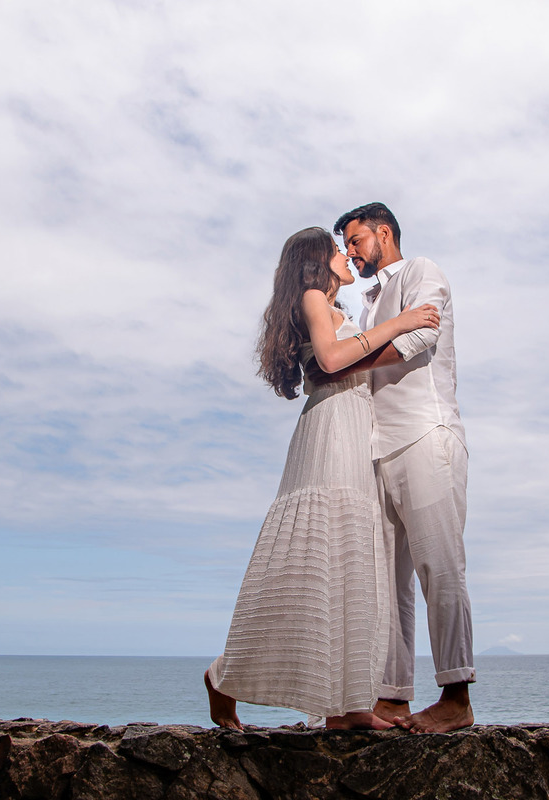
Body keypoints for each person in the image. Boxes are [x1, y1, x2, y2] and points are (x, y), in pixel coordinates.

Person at [204, 226, 441, 731]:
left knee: (347, 560)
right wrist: (401, 323)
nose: (345, 255)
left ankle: (348, 707)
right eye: (337, 249)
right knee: (315, 559)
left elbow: (338, 359)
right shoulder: (314, 296)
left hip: (350, 426)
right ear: (315, 260)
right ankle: (223, 677)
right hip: (331, 429)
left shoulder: (331, 306)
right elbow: (332, 359)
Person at [329, 202, 475, 733]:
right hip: (378, 448)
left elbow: (416, 339)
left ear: (383, 233)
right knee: (387, 582)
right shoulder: (366, 306)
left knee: (439, 563)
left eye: (355, 240)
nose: (350, 252)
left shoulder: (422, 271)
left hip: (426, 434)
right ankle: (392, 697)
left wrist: (341, 362)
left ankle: (456, 697)